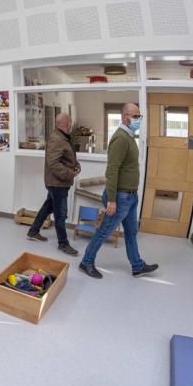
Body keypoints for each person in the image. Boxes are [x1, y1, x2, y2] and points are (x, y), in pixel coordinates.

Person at [79, 103, 158, 279]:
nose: (139, 120)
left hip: (130, 196)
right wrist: (112, 200)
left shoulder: (129, 136)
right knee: (105, 231)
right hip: (120, 197)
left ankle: (137, 266)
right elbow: (112, 170)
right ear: (124, 117)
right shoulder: (121, 138)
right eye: (136, 116)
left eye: (139, 117)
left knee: (131, 232)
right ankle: (86, 262)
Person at [26, 113, 80, 256]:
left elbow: (67, 158)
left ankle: (33, 231)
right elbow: (54, 164)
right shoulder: (57, 139)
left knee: (48, 207)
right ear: (67, 123)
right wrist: (70, 174)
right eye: (70, 122)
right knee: (60, 214)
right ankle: (63, 244)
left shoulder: (62, 137)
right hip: (57, 184)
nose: (71, 125)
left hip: (57, 182)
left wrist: (76, 166)